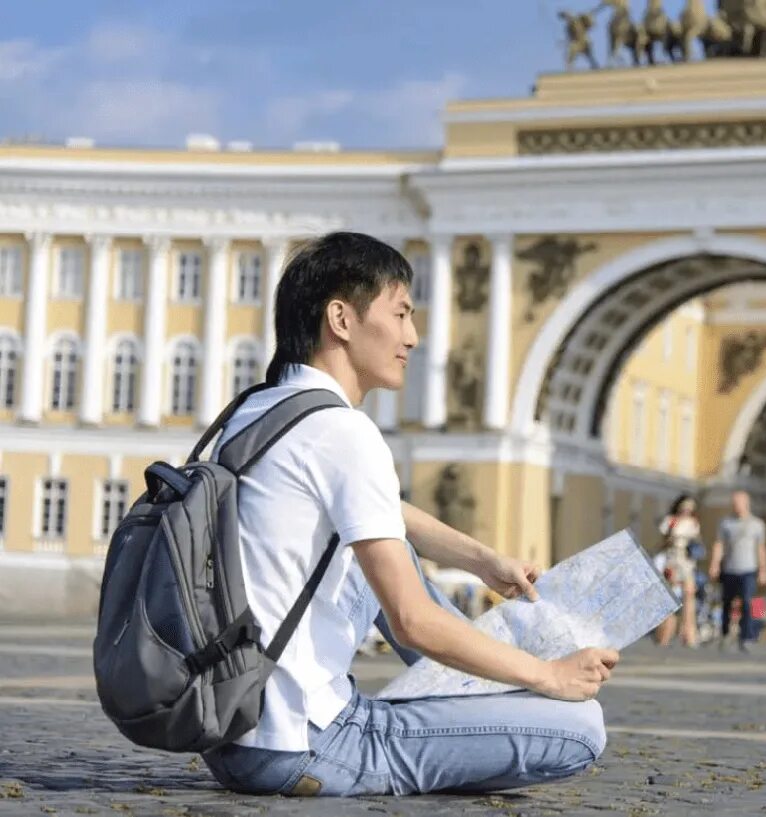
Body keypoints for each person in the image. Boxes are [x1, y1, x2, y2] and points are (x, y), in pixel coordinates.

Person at [201, 233, 617, 798]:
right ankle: (488, 685)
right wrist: (549, 676)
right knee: (581, 730)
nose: (412, 337)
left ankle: (473, 682)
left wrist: (482, 561)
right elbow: (412, 621)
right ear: (341, 319)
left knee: (381, 549)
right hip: (309, 742)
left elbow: (379, 511)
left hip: (233, 730)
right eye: (400, 313)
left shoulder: (258, 409)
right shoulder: (345, 432)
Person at [708, 491, 766, 653]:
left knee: (747, 603)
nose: (736, 506)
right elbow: (719, 544)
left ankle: (746, 637)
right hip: (729, 569)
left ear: (746, 503)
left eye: (739, 503)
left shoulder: (757, 524)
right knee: (727, 602)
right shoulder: (726, 523)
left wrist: (763, 570)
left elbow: (761, 548)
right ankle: (726, 633)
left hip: (748, 569)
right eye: (734, 503)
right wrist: (714, 564)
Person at [652, 494, 701, 648]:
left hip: (686, 561)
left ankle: (688, 633)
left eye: (690, 508)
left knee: (689, 595)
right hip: (672, 559)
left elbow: (695, 541)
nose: (687, 510)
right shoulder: (670, 521)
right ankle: (665, 632)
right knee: (670, 597)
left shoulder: (693, 523)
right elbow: (663, 540)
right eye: (685, 507)